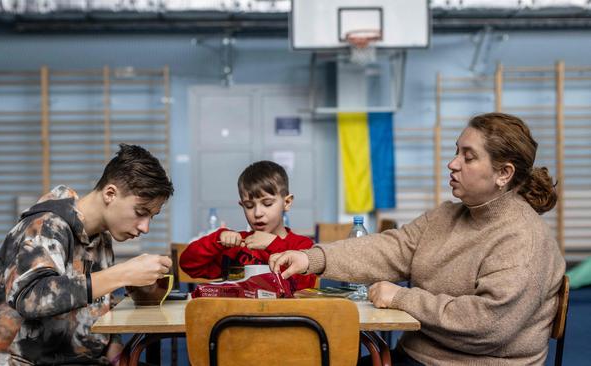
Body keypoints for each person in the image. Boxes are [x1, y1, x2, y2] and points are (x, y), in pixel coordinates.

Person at [270, 113, 566, 365]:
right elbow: (391, 248)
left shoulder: (522, 240)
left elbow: (490, 324)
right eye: (456, 152)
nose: (452, 164)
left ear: (504, 173)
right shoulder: (447, 216)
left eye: (468, 157)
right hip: (414, 358)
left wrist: (401, 297)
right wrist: (311, 257)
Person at [0, 144, 174, 365]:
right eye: (141, 213)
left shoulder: (100, 237)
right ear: (110, 194)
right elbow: (29, 298)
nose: (145, 227)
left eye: (152, 216)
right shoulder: (45, 224)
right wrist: (123, 273)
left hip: (83, 358)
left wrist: (114, 346)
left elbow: (101, 303)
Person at [180, 160, 316, 290]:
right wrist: (218, 239)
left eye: (267, 204)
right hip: (238, 313)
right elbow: (188, 265)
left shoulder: (303, 246)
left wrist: (273, 244)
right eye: (249, 206)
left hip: (285, 314)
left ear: (286, 203)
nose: (257, 213)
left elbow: (304, 287)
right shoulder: (237, 246)